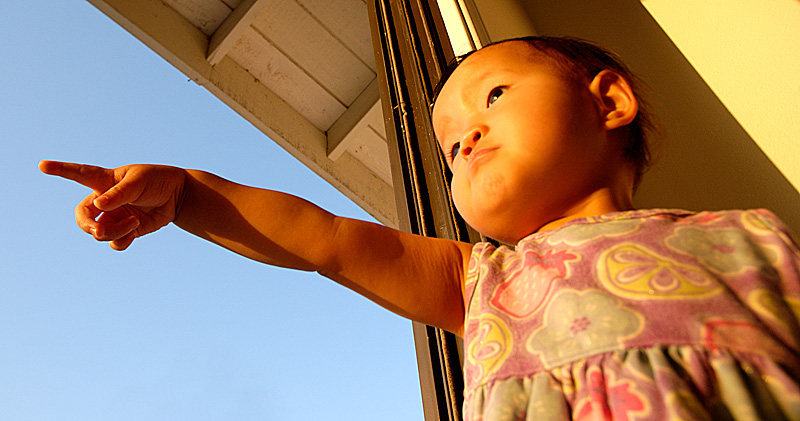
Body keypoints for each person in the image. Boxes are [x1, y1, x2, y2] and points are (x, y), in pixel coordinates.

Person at [40, 36, 800, 420]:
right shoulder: (483, 281)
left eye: (493, 96)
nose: (465, 137)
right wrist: (190, 193)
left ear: (610, 102)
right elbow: (328, 240)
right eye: (446, 145)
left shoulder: (750, 239)